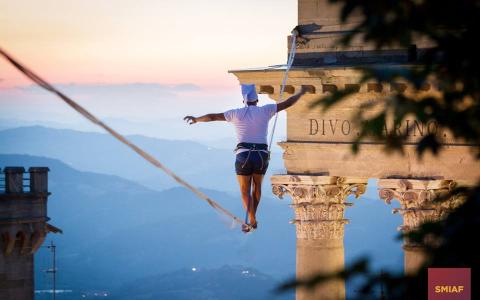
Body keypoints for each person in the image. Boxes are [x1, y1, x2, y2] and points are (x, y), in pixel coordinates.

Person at [184, 84, 308, 233]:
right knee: (257, 187)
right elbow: (288, 103)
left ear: (244, 100)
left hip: (244, 154)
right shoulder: (266, 110)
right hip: (261, 155)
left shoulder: (236, 113)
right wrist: (301, 92)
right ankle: (252, 218)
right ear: (256, 100)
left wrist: (196, 119)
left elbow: (212, 117)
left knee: (244, 190)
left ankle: (252, 218)